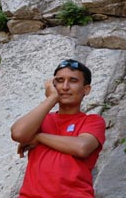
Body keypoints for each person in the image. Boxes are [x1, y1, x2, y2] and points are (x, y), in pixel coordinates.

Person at [11, 59, 106, 198]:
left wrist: (39, 137)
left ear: (86, 89)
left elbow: (82, 147)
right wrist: (51, 99)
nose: (65, 87)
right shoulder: (41, 119)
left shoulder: (92, 121)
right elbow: (18, 133)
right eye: (60, 81)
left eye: (73, 81)